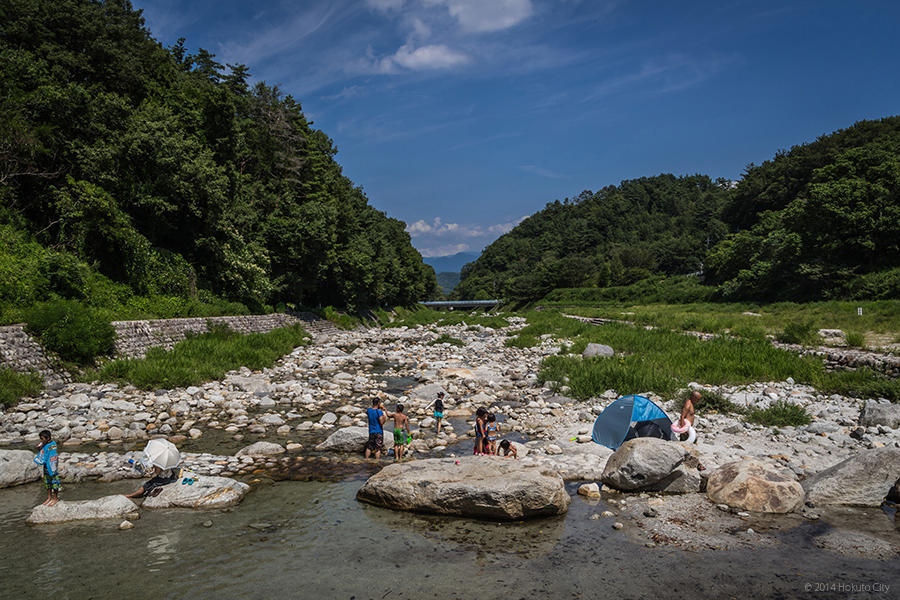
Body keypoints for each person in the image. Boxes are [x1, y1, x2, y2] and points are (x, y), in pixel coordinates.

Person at [34, 430, 60, 506]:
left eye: (42, 439)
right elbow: (42, 452)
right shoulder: (44, 444)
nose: (41, 440)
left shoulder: (53, 445)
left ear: (48, 438)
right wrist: (39, 448)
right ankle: (49, 498)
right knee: (47, 483)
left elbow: (51, 456)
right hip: (46, 467)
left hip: (52, 467)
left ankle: (55, 498)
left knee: (54, 483)